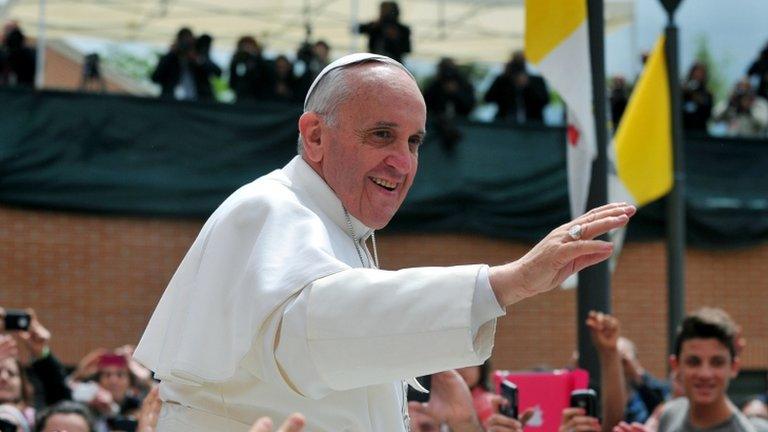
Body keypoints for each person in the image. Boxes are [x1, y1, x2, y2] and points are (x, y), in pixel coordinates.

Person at [135, 52, 634, 431]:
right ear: (315, 137)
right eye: (381, 135)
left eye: (414, 142)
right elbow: (317, 326)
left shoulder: (343, 230)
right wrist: (506, 283)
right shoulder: (269, 208)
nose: (404, 161)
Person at [614, 308, 766, 432]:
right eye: (694, 362)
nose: (705, 374)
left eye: (717, 362)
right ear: (676, 366)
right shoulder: (670, 414)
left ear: (733, 367)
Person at [484, 50, 549, 124]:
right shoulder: (502, 80)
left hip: (532, 123)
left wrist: (528, 86)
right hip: (505, 121)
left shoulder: (536, 81)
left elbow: (545, 101)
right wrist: (505, 82)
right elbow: (488, 98)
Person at [681, 62, 713, 132]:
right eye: (696, 71)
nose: (698, 74)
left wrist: (698, 99)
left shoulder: (707, 95)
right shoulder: (683, 92)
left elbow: (708, 115)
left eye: (701, 72)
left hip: (700, 133)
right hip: (683, 132)